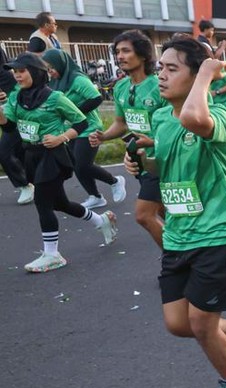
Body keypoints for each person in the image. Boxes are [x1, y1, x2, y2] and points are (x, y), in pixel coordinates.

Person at [123, 36, 226, 388]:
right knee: (177, 323)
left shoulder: (216, 113)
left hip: (218, 233)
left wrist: (207, 72)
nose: (161, 77)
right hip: (178, 234)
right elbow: (165, 165)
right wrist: (140, 162)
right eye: (160, 69)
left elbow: (194, 119)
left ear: (197, 74)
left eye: (172, 69)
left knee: (202, 323)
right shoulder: (160, 120)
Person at [1, 52, 118, 272]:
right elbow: (9, 127)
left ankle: (52, 254)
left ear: (35, 72)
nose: (17, 76)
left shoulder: (55, 97)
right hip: (31, 156)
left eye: (21, 71)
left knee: (42, 203)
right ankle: (101, 221)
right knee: (60, 204)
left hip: (53, 157)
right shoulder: (17, 96)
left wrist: (61, 138)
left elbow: (82, 123)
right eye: (14, 72)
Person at [88, 30, 168, 247]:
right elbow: (121, 123)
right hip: (137, 161)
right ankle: (188, 250)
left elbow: (174, 126)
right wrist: (103, 136)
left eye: (126, 51)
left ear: (143, 55)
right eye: (117, 52)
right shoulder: (121, 87)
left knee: (143, 214)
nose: (120, 56)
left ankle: (176, 259)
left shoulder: (159, 85)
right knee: (164, 211)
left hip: (161, 160)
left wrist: (154, 142)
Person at [42, 49, 127, 210]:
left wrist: (75, 113)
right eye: (47, 69)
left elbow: (96, 98)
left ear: (60, 64)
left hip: (89, 128)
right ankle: (95, 197)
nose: (50, 72)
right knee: (76, 165)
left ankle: (115, 181)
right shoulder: (54, 82)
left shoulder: (77, 79)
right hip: (70, 130)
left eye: (51, 68)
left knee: (82, 165)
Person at [0, 45, 33, 204]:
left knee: (6, 151)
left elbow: (21, 94)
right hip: (7, 120)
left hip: (21, 119)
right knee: (19, 151)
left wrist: (5, 100)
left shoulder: (7, 75)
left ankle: (25, 184)